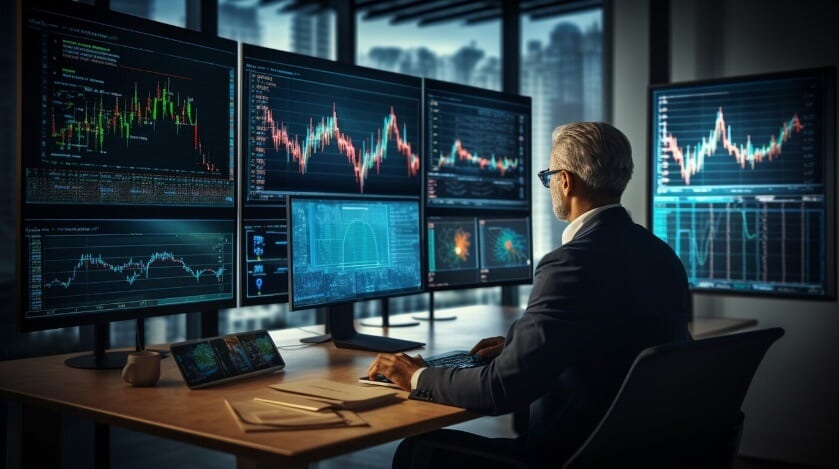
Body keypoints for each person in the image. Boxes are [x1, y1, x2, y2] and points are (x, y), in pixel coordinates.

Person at [368, 122, 692, 468]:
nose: (550, 184)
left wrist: (417, 376)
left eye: (549, 175)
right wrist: (519, 347)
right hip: (637, 451)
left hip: (570, 456)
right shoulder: (661, 254)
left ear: (565, 181)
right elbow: (613, 339)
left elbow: (500, 391)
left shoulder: (571, 263)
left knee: (417, 451)